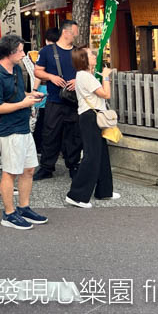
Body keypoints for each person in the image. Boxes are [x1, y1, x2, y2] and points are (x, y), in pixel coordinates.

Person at [0, 34, 48, 230]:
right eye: (20, 51)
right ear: (10, 53)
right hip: (9, 128)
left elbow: (18, 95)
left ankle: (24, 207)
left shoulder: (15, 69)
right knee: (10, 171)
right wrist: (23, 102)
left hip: (23, 125)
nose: (23, 54)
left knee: (28, 169)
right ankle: (9, 212)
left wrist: (31, 95)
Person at [65, 47, 120, 208]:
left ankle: (105, 190)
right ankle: (76, 195)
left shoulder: (86, 75)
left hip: (93, 116)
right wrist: (106, 77)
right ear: (83, 59)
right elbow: (105, 94)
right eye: (90, 54)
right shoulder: (84, 76)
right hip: (90, 117)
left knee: (101, 153)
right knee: (92, 155)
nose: (94, 56)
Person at [33, 20, 82, 180]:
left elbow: (87, 71)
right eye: (75, 31)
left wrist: (78, 80)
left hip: (73, 101)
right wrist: (51, 77)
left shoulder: (78, 52)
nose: (76, 34)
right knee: (50, 133)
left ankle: (73, 164)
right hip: (54, 99)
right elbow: (37, 71)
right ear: (66, 32)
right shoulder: (47, 51)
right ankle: (47, 167)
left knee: (73, 135)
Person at [32, 27, 60, 154]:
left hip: (44, 88)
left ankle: (39, 145)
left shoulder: (44, 52)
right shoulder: (62, 50)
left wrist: (34, 89)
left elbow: (38, 74)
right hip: (60, 89)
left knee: (43, 118)